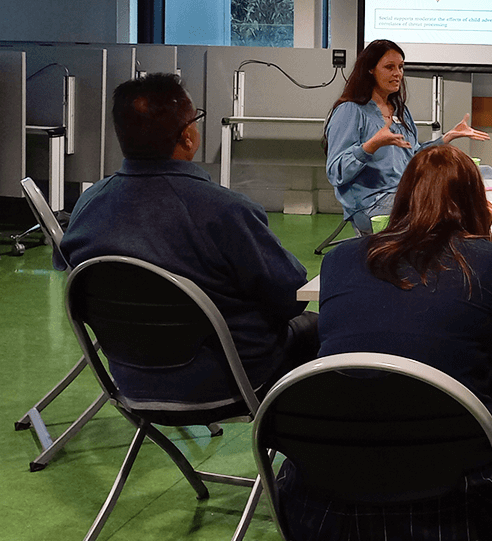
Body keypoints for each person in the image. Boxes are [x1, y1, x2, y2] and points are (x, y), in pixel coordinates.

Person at [277, 144, 492, 540]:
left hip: (332, 455)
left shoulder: (339, 260)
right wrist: (485, 236)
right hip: (450, 459)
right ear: (478, 202)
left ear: (402, 198)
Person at [57, 73, 316, 407]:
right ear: (188, 137)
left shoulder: (89, 204)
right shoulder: (225, 212)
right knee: (325, 329)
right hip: (231, 377)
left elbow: (70, 270)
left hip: (129, 380)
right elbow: (292, 296)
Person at [325, 39, 490, 233]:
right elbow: (336, 173)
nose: (398, 74)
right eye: (389, 67)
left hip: (405, 192)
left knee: (481, 179)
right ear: (370, 69)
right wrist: (370, 146)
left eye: (401, 67)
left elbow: (414, 155)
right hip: (371, 203)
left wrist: (447, 137)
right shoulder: (350, 111)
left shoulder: (399, 111)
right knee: (446, 214)